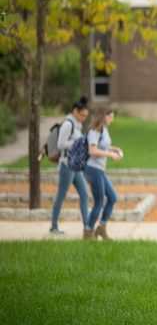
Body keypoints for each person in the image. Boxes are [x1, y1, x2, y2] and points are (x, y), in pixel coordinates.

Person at [49, 96, 90, 236]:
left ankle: (87, 227)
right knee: (61, 195)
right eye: (82, 115)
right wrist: (78, 143)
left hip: (75, 165)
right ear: (75, 111)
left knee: (84, 194)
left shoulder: (77, 124)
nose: (84, 118)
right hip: (67, 165)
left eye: (86, 116)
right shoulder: (68, 124)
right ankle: (53, 227)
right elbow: (61, 144)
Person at [84, 107, 123, 239]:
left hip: (99, 170)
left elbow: (103, 146)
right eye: (110, 116)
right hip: (92, 169)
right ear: (103, 116)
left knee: (112, 197)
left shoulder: (104, 129)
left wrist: (115, 149)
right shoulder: (94, 131)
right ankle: (88, 232)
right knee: (99, 202)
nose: (112, 119)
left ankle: (101, 228)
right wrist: (110, 154)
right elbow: (93, 150)